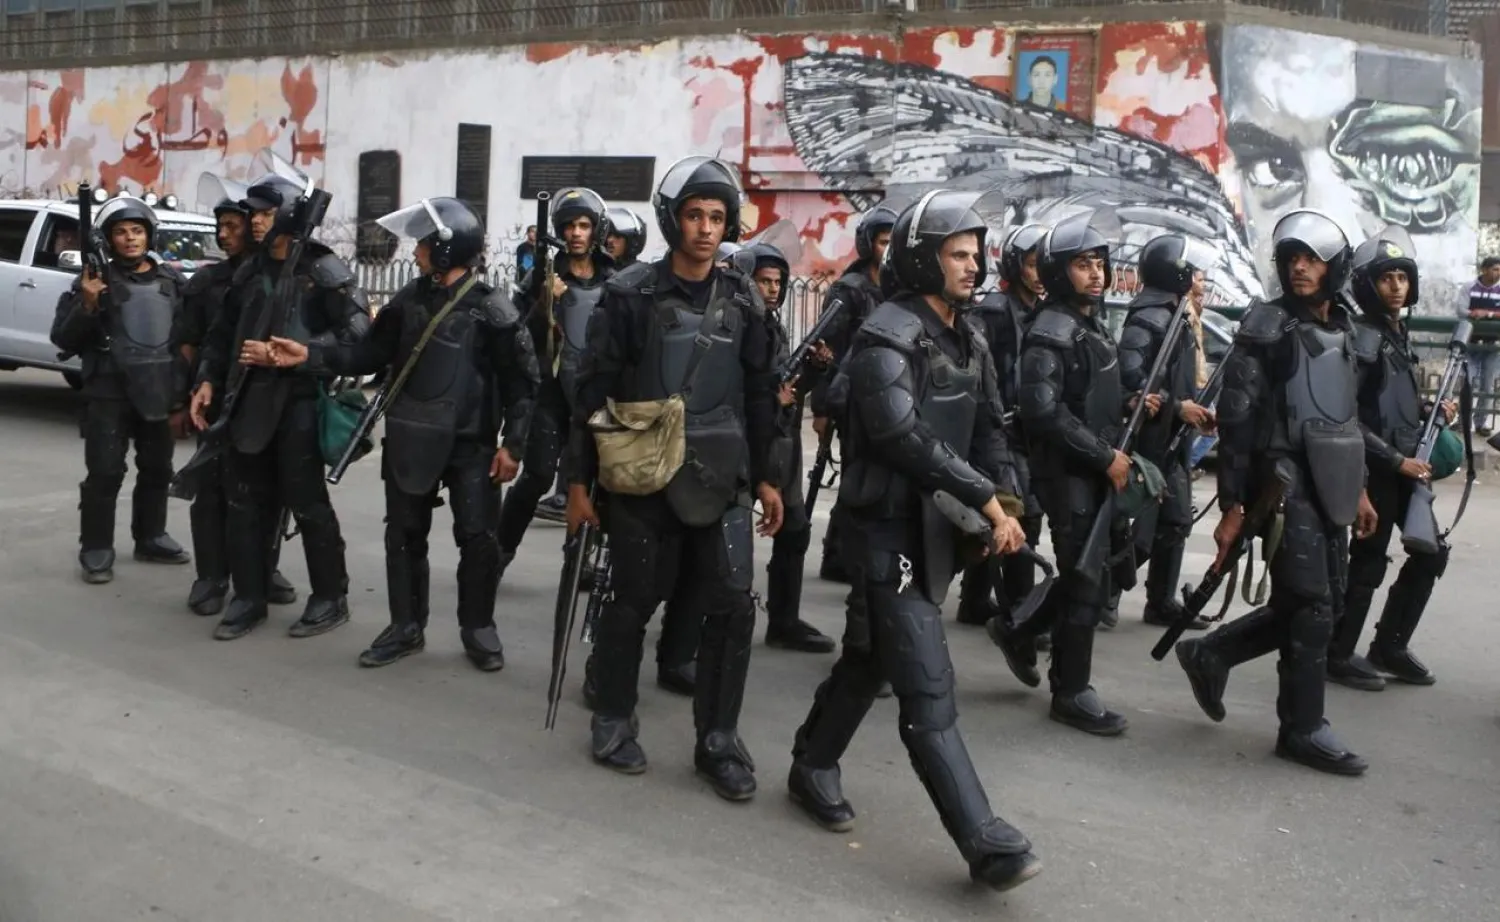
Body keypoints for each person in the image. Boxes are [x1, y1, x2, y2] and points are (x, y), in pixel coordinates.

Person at [786, 190, 1040, 893]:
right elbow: (904, 436)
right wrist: (985, 500)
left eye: (975, 252)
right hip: (885, 534)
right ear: (924, 258)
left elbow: (992, 427)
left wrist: (1006, 501)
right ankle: (985, 841)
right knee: (928, 688)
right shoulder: (885, 337)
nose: (973, 265)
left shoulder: (969, 334)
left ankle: (811, 762)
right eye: (958, 253)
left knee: (870, 660)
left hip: (935, 534)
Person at [564, 155, 783, 800]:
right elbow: (591, 393)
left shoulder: (743, 297)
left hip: (722, 476)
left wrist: (770, 477)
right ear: (672, 221)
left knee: (734, 606)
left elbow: (764, 390)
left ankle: (718, 739)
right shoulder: (630, 294)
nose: (707, 229)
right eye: (695, 216)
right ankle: (611, 715)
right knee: (632, 597)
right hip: (640, 475)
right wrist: (579, 484)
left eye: (718, 218)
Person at [259, 197, 539, 671]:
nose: (416, 253)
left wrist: (513, 446)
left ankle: (478, 628)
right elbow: (368, 356)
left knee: (478, 539)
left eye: (425, 244)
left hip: (470, 445)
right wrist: (307, 356)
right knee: (404, 537)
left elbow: (523, 384)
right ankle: (405, 627)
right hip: (411, 437)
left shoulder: (493, 311)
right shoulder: (408, 301)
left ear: (449, 249)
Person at [1174, 209, 1378, 776]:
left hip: (1330, 479)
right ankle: (1302, 728)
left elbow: (1344, 419)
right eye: (1292, 257)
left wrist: (1358, 490)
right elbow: (1236, 421)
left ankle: (1210, 652)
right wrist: (1233, 506)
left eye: (1311, 258)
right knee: (1313, 606)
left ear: (1333, 266)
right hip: (1282, 483)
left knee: (1317, 601)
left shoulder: (1344, 329)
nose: (1299, 268)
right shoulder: (1267, 326)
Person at [189, 170, 370, 642]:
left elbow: (359, 337)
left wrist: (299, 353)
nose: (257, 222)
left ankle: (330, 596)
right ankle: (249, 597)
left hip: (300, 404)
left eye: (268, 213)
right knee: (245, 505)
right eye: (256, 213)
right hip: (246, 402)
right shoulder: (249, 270)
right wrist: (207, 379)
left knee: (308, 504)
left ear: (291, 213)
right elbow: (221, 335)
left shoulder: (322, 269)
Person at [990, 210, 1148, 736]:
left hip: (1095, 469)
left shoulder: (1087, 324)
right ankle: (1071, 691)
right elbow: (1043, 411)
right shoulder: (1052, 331)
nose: (1096, 274)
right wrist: (1104, 457)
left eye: (1100, 264)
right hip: (1069, 475)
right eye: (1083, 265)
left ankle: (1018, 629)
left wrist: (1130, 404)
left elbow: (1087, 398)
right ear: (1061, 272)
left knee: (1090, 574)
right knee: (1084, 581)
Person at [1328, 227, 1451, 690]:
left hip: (1407, 464)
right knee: (1367, 562)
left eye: (1403, 276)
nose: (1397, 286)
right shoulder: (1362, 337)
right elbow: (1345, 415)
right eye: (1386, 278)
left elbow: (1388, 400)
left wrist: (1425, 411)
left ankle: (1390, 646)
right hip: (1376, 468)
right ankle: (1338, 654)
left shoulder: (1397, 332)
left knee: (1430, 554)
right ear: (1367, 284)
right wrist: (1393, 460)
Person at [50, 195, 193, 584]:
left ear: (149, 235)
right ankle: (96, 547)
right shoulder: (93, 281)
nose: (130, 239)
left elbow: (189, 337)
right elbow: (63, 337)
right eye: (120, 232)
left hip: (159, 390)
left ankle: (150, 536)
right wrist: (89, 303)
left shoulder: (173, 282)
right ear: (108, 239)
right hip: (108, 391)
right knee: (105, 472)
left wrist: (184, 393)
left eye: (137, 231)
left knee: (158, 469)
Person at [181, 179, 298, 616]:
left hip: (267, 404)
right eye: (224, 224)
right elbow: (194, 342)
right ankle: (211, 576)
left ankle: (261, 571)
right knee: (211, 492)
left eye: (238, 223)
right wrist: (195, 389)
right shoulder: (212, 280)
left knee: (264, 493)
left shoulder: (282, 272)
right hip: (219, 400)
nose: (228, 233)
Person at [499, 189, 614, 557]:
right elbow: (518, 338)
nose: (576, 233)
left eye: (583, 225)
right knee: (537, 476)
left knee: (596, 481)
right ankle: (498, 553)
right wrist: (544, 301)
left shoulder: (616, 278)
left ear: (595, 230)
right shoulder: (542, 277)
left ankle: (580, 556)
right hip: (551, 394)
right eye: (569, 226)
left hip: (597, 395)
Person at [1117, 233, 1218, 630]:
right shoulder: (1151, 316)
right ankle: (1093, 590)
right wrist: (1177, 407)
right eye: (1194, 272)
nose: (1200, 281)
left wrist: (1194, 411)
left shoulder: (1179, 313)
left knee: (1175, 523)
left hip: (1172, 438)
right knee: (1142, 535)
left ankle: (1159, 602)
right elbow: (1131, 381)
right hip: (1151, 440)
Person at [749, 241, 837, 653]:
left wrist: (815, 369)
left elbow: (791, 390)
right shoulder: (738, 325)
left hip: (780, 444)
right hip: (746, 443)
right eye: (763, 281)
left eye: (777, 282)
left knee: (796, 532)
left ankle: (783, 620)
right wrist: (772, 398)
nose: (771, 289)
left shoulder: (772, 325)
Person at [959, 223, 1047, 628]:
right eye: (1031, 265)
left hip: (1024, 431)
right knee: (1019, 515)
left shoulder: (1037, 311)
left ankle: (975, 601)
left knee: (1009, 514)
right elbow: (976, 368)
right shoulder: (994, 310)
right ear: (1015, 265)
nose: (1039, 273)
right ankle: (1019, 612)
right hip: (999, 429)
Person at [811, 204, 898, 584]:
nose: (889, 249)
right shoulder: (850, 291)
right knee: (855, 479)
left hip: (886, 401)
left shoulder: (899, 288)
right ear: (868, 245)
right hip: (849, 400)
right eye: (883, 242)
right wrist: (822, 406)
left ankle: (848, 555)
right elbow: (821, 347)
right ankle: (838, 556)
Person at [1458, 256, 1500, 435]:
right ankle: (1462, 422)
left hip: (1492, 345)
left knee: (1487, 385)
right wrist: (1474, 313)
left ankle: (1481, 424)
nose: (1498, 273)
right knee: (1466, 383)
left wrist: (1486, 314)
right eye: (1495, 269)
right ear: (1484, 269)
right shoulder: (1469, 287)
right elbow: (1461, 310)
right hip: (1471, 343)